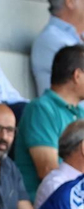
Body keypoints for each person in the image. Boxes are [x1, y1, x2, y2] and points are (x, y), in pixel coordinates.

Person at [19, 45, 84, 198]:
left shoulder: (80, 111)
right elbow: (48, 170)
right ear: (77, 76)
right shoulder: (41, 109)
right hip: (49, 205)